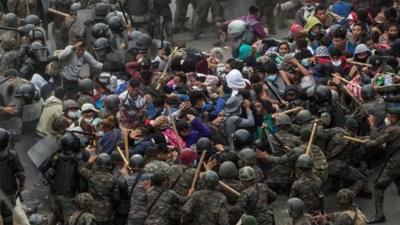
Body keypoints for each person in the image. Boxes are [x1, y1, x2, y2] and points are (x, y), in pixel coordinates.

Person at [366, 110, 400, 223]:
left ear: (395, 118)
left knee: (378, 186)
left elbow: (376, 141)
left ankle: (379, 215)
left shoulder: (392, 130)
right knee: (396, 176)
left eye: (389, 116)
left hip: (395, 161)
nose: (387, 117)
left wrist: (371, 125)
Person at [79, 153, 121, 225]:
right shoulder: (114, 179)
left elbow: (81, 168)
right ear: (109, 165)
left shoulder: (91, 175)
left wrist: (90, 161)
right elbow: (116, 198)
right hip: (107, 212)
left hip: (92, 209)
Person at [0, 128, 25, 225]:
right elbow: (21, 174)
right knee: (8, 216)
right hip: (9, 192)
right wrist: (22, 185)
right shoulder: (12, 155)